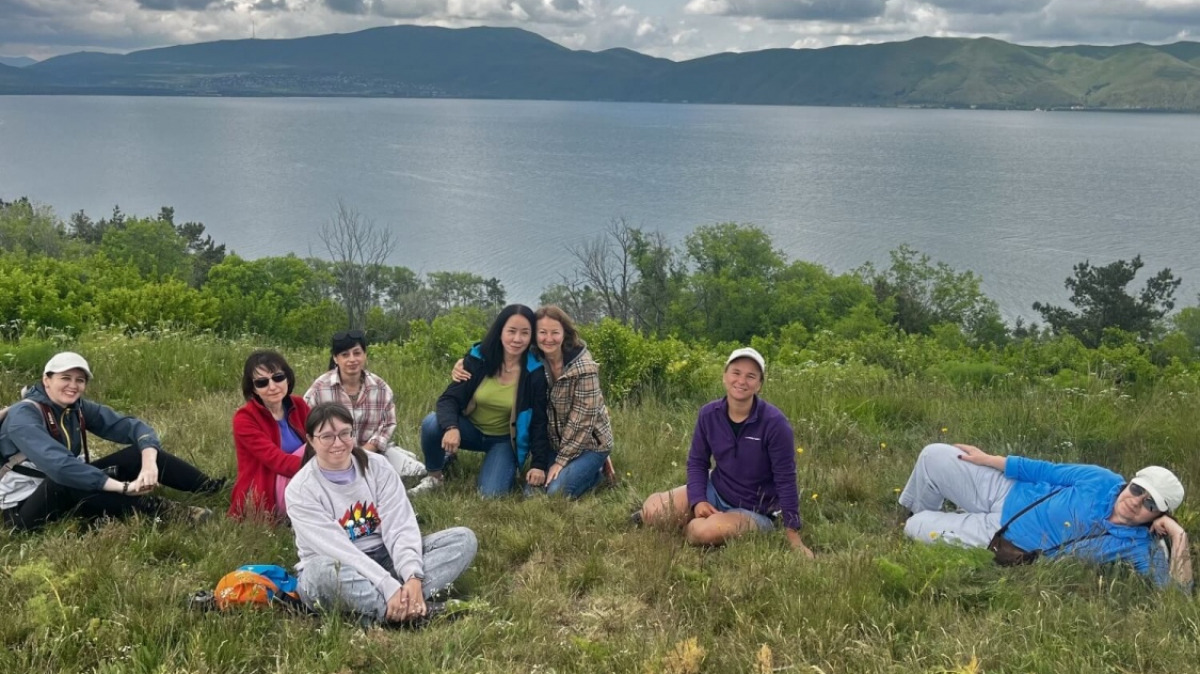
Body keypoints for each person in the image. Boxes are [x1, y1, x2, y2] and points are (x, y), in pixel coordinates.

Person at [899, 442, 1193, 590]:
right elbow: (1046, 470)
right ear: (1131, 481)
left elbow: (1176, 597)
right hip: (1007, 490)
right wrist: (989, 459)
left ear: (1160, 515)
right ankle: (927, 509)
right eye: (1137, 489)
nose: (1136, 501)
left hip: (999, 537)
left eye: (1150, 504)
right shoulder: (1102, 480)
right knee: (934, 454)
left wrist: (1179, 535)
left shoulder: (1138, 545)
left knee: (915, 527)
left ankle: (933, 518)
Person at [287, 402, 477, 625]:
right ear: (310, 440)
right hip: (341, 567)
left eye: (345, 433)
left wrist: (413, 576)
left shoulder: (378, 467)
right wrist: (387, 586)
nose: (338, 443)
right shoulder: (300, 489)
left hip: (386, 557)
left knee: (463, 539)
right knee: (319, 574)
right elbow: (338, 551)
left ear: (353, 432)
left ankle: (390, 607)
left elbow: (400, 525)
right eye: (327, 437)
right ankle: (409, 609)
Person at [0, 351, 220, 530]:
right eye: (65, 378)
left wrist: (149, 460)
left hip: (60, 484)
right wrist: (123, 487)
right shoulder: (23, 416)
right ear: (46, 380)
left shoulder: (76, 408)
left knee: (136, 454)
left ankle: (211, 488)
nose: (73, 386)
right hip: (21, 509)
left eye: (80, 380)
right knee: (69, 480)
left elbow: (134, 427)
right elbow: (61, 467)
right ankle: (172, 513)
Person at [634, 348, 814, 557]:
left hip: (753, 509)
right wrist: (699, 500)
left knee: (706, 531)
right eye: (736, 373)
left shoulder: (775, 424)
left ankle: (689, 526)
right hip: (716, 489)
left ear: (759, 385)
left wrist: (793, 534)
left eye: (751, 376)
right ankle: (681, 515)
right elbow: (697, 462)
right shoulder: (709, 414)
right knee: (651, 512)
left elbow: (786, 479)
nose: (741, 381)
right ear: (725, 376)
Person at [451, 305, 613, 498]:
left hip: (588, 444)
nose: (548, 338)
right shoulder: (536, 359)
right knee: (531, 493)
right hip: (555, 444)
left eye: (555, 332)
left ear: (565, 333)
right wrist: (465, 361)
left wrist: (560, 462)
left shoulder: (583, 367)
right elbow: (496, 346)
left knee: (556, 493)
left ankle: (596, 475)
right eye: (542, 332)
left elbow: (582, 422)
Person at [410, 304, 550, 498]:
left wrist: (538, 464)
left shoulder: (535, 372)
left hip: (504, 440)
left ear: (531, 336)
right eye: (511, 331)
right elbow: (449, 398)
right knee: (432, 423)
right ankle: (435, 476)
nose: (517, 339)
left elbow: (539, 421)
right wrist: (452, 427)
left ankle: (490, 463)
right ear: (500, 331)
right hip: (470, 429)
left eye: (525, 333)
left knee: (491, 495)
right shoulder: (479, 360)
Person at [304, 330, 426, 478]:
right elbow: (307, 424)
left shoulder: (380, 387)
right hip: (332, 456)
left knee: (418, 472)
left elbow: (388, 424)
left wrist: (364, 452)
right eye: (345, 355)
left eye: (357, 353)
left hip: (372, 453)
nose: (352, 359)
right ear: (335, 359)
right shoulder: (320, 388)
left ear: (365, 355)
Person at [229, 350, 309, 520]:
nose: (272, 387)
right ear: (254, 389)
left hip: (303, 477)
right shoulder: (245, 418)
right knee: (314, 448)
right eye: (262, 382)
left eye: (278, 378)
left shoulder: (299, 405)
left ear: (287, 378)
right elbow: (276, 461)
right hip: (268, 489)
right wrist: (322, 466)